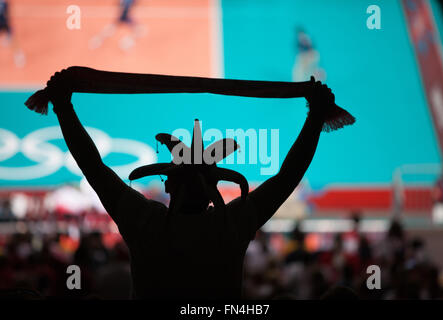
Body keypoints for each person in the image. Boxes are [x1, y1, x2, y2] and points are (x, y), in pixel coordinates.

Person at [43, 69, 335, 299]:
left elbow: (93, 168)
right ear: (215, 188)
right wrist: (316, 116)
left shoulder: (146, 222)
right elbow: (287, 177)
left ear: (168, 185)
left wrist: (63, 107)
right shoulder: (230, 225)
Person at [0, 0, 25, 67]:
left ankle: (19, 55)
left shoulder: (4, 3)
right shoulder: (4, 3)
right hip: (5, 24)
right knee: (11, 39)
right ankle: (19, 55)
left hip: (5, 24)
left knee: (12, 40)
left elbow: (8, 15)